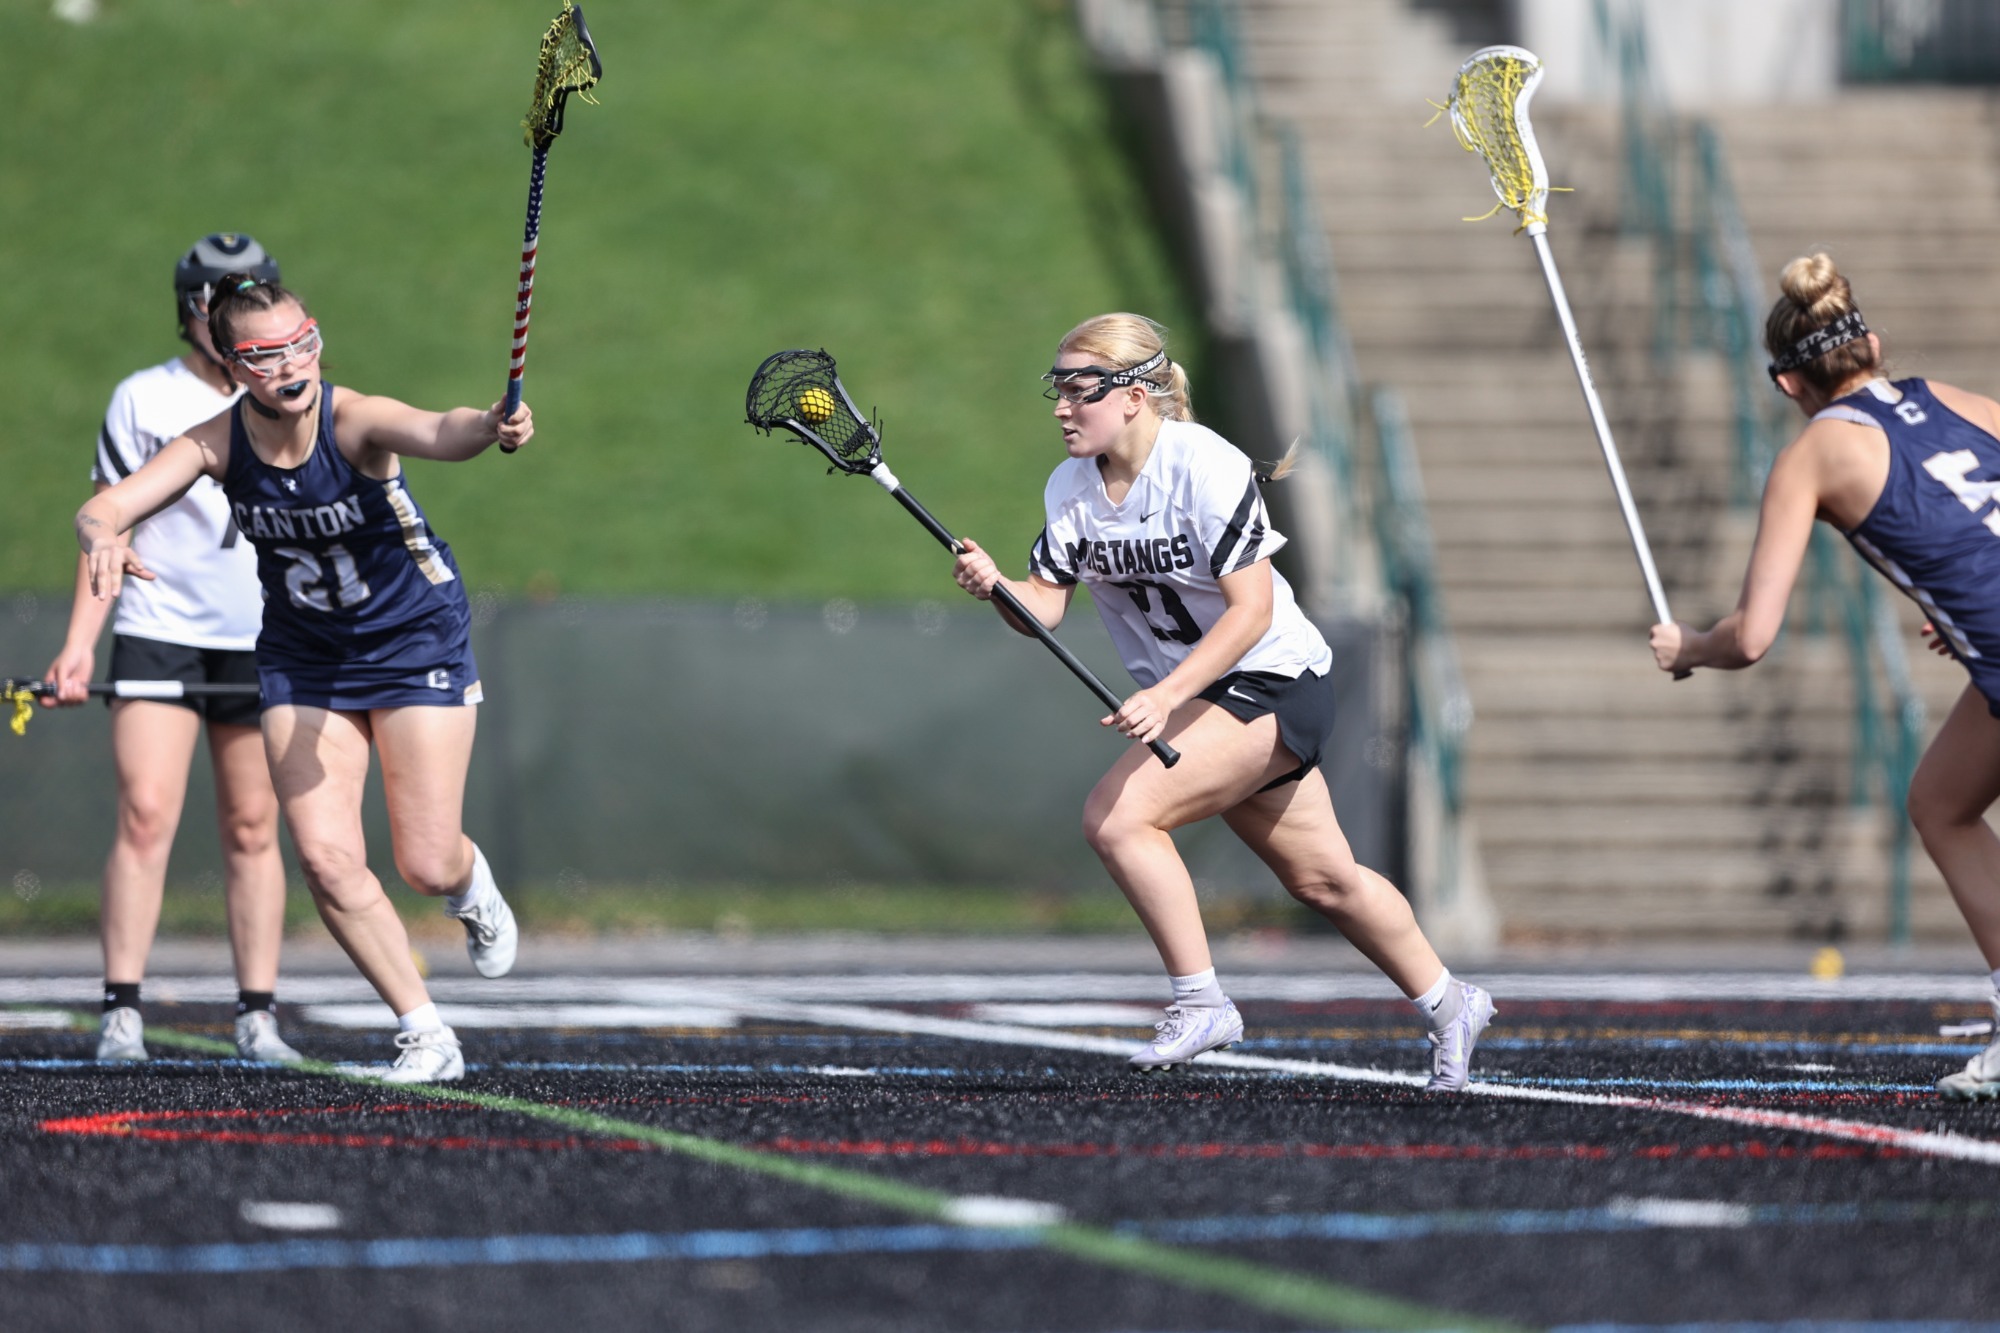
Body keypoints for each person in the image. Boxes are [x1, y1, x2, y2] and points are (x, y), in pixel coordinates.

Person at [951, 312, 1494, 1088]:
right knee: (1325, 880)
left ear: (1135, 394)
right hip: (1205, 701)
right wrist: (997, 585)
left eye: (1080, 390)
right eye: (1058, 391)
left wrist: (1167, 695)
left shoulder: (1204, 464)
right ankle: (1451, 1001)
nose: (1063, 408)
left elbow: (1252, 611)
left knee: (1118, 815)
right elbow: (1043, 608)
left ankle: (1201, 1000)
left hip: (1272, 683)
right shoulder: (1070, 485)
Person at [73, 272, 527, 1084]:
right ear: (231, 362)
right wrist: (99, 531)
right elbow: (109, 504)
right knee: (323, 856)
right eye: (267, 354)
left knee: (424, 861)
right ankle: (426, 1030)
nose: (293, 364)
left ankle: (469, 884)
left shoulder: (352, 420)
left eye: (302, 342)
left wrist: (491, 424)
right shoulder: (216, 442)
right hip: (302, 655)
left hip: (412, 636)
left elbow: (437, 428)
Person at [1651, 252, 2000, 1102]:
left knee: (1941, 810)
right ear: (1873, 343)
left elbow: (1754, 636)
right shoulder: (1957, 398)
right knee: (1940, 800)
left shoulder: (1812, 454)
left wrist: (1689, 646)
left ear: (1786, 384)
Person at [42, 234, 302, 1065]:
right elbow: (105, 527)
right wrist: (79, 645)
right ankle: (123, 1008)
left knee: (255, 823)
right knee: (147, 812)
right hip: (158, 628)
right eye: (215, 302)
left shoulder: (292, 393)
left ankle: (257, 1014)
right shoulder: (143, 400)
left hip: (257, 634)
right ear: (193, 313)